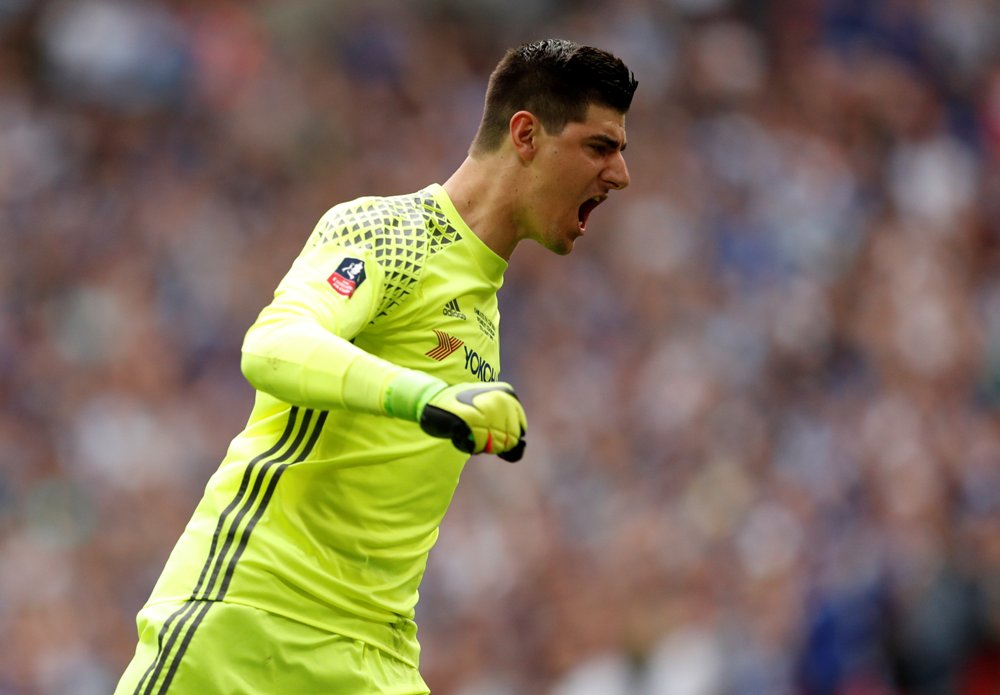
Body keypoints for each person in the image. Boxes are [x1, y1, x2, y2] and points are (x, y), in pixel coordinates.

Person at [116, 38, 637, 694]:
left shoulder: (484, 305)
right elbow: (274, 343)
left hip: (375, 657)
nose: (620, 175)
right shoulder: (390, 230)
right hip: (246, 628)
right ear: (526, 134)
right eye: (599, 146)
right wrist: (426, 397)